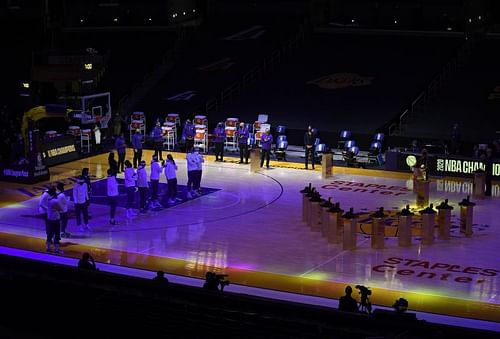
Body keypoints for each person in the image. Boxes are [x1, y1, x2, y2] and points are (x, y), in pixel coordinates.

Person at [46, 187, 63, 254]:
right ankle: (57, 249)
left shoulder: (48, 199)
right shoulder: (55, 201)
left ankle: (48, 248)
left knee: (50, 233)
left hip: (49, 218)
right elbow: (61, 209)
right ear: (54, 192)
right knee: (57, 234)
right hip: (56, 219)